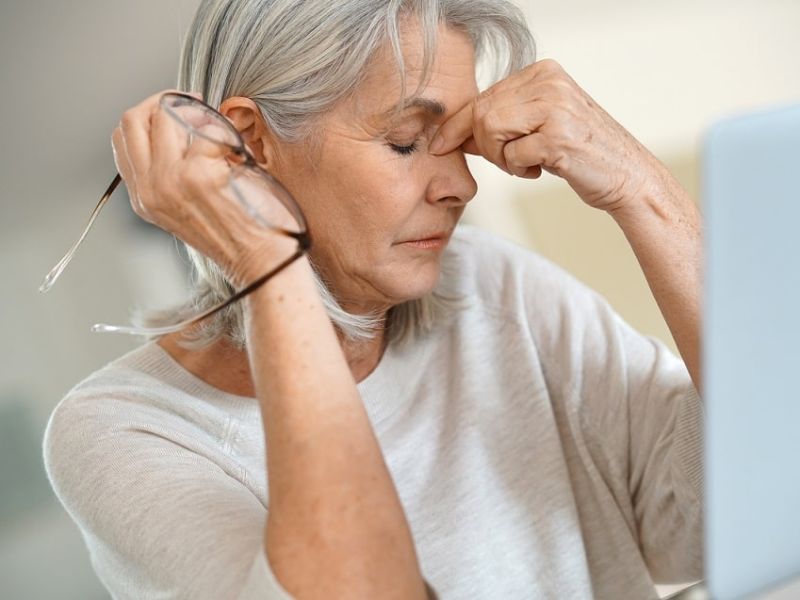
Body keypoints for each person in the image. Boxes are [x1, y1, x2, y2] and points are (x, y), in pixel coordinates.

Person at [42, 0, 704, 598]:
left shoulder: (497, 287)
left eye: (458, 144)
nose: (461, 187)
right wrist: (266, 258)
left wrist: (642, 189)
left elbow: (735, 517)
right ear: (251, 143)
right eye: (405, 141)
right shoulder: (124, 430)